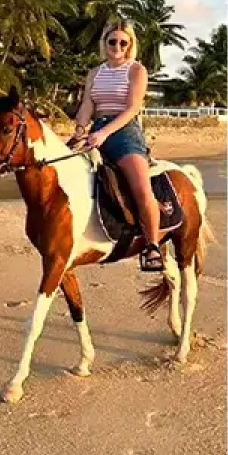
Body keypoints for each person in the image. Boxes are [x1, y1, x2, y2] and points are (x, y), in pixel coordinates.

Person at [69, 20, 163, 272]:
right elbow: (88, 103)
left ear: (130, 44)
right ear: (105, 43)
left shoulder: (136, 70)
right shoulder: (95, 73)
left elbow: (133, 107)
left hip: (124, 131)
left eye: (124, 42)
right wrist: (81, 129)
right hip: (97, 127)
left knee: (142, 188)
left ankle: (153, 245)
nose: (118, 46)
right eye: (113, 41)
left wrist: (103, 133)